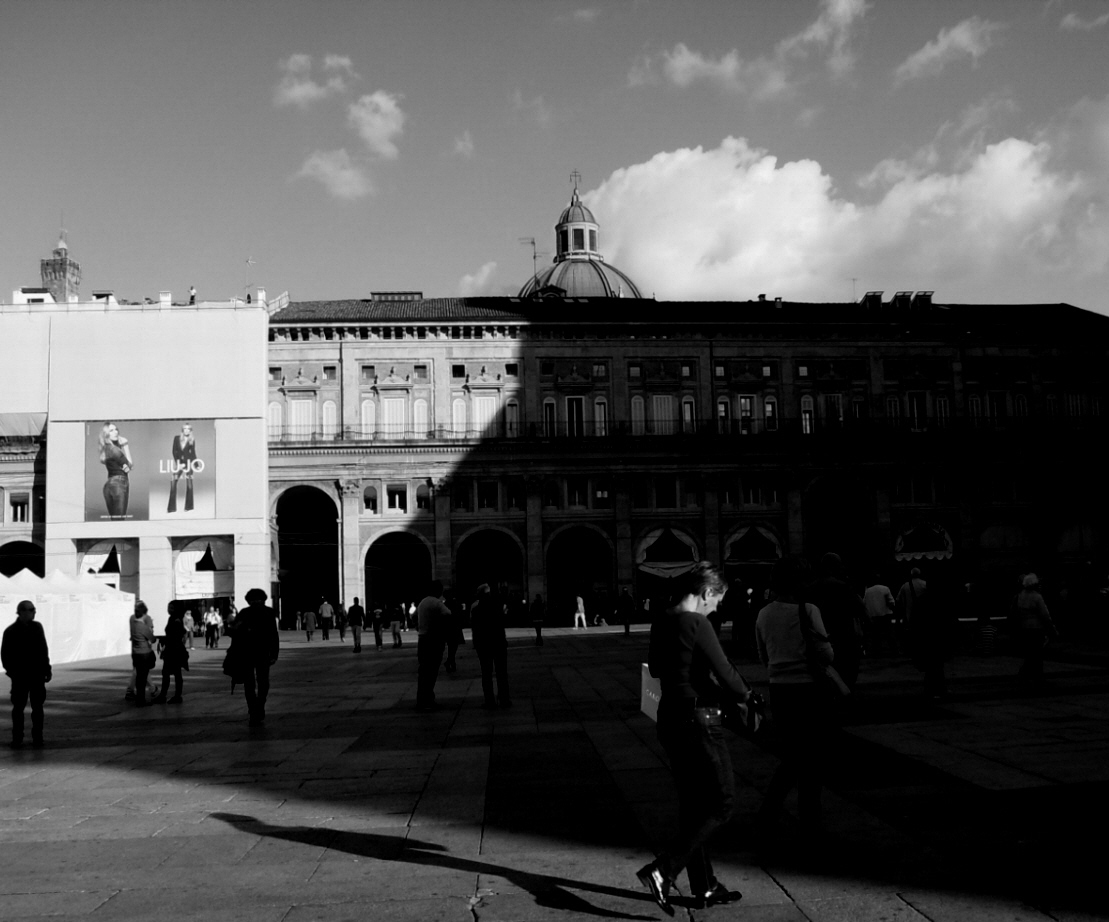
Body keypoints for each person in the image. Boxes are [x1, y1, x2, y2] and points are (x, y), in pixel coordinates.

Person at [637, 562, 748, 915]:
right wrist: (747, 696)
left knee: (694, 806)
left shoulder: (662, 620)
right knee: (722, 802)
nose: (717, 607)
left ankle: (705, 887)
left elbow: (655, 668)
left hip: (668, 717)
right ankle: (663, 870)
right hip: (700, 720)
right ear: (705, 593)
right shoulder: (696, 622)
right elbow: (727, 674)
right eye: (717, 599)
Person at [754, 556, 836, 844]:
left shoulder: (763, 614)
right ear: (799, 582)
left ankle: (768, 813)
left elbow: (763, 656)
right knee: (811, 758)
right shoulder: (808, 610)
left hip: (779, 690)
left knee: (792, 755)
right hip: (809, 690)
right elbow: (827, 655)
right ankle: (809, 821)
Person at [808, 552, 866, 690]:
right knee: (846, 673)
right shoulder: (842, 586)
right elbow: (858, 608)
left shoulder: (811, 588)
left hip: (819, 634)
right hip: (843, 634)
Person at [226, 588, 279, 726]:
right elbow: (274, 635)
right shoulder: (267, 612)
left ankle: (254, 708)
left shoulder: (245, 613)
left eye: (257, 599)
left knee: (251, 683)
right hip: (259, 652)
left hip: (247, 653)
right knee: (261, 682)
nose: (256, 602)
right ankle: (258, 706)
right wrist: (274, 654)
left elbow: (234, 633)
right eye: (254, 600)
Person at [3, 600, 52, 749]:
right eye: (31, 610)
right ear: (22, 612)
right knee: (18, 708)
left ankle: (38, 738)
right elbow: (5, 655)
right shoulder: (11, 631)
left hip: (36, 675)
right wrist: (13, 673)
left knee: (37, 708)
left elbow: (43, 650)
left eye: (33, 610)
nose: (34, 612)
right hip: (20, 677)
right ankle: (17, 738)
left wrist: (47, 668)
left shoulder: (37, 627)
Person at [1013, 573, 1057, 691]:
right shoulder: (1037, 597)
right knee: (1037, 653)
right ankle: (1036, 677)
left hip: (1024, 627)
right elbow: (1044, 615)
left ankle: (1025, 676)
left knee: (1030, 653)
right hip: (1036, 628)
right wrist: (1052, 629)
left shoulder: (1020, 596)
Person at [471, 584, 510, 708]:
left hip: (484, 645)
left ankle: (490, 700)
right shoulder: (497, 607)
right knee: (501, 672)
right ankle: (504, 699)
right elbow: (503, 623)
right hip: (498, 643)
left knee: (486, 674)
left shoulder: (476, 610)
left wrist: (476, 644)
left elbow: (475, 630)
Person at [416, 580, 450, 710]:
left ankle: (422, 699)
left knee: (424, 671)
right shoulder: (436, 603)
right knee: (431, 671)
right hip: (433, 639)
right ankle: (428, 700)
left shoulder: (422, 602)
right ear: (438, 590)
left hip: (422, 638)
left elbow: (415, 617)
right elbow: (448, 614)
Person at [153, 605, 188, 703]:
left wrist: (163, 639)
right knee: (170, 673)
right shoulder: (172, 619)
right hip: (172, 650)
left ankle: (173, 695)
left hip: (174, 651)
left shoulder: (176, 620)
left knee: (172, 673)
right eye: (169, 607)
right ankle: (169, 695)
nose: (169, 609)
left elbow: (174, 636)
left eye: (172, 608)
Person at [98, 421, 133, 519]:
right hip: (119, 485)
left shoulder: (106, 449)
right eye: (111, 430)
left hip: (108, 486)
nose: (116, 432)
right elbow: (129, 467)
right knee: (119, 523)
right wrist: (125, 445)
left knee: (115, 522)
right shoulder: (115, 450)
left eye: (116, 429)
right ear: (106, 434)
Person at [129, 600, 157, 707]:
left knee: (139, 677)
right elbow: (152, 639)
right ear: (143, 613)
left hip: (135, 653)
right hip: (144, 653)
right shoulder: (143, 627)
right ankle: (141, 700)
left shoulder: (133, 624)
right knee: (143, 677)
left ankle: (139, 699)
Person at [167, 423, 196, 513]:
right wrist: (178, 463)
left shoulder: (192, 440)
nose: (186, 430)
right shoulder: (176, 438)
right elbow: (174, 451)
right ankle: (171, 508)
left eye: (188, 429)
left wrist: (196, 464)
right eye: (185, 429)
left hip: (189, 463)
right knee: (173, 482)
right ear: (182, 430)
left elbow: (193, 453)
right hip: (180, 464)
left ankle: (189, 507)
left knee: (189, 485)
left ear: (190, 431)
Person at [863, 575, 897, 655]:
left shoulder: (868, 591)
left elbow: (864, 603)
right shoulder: (885, 588)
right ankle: (894, 650)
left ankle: (877, 651)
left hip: (873, 615)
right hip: (885, 614)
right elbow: (891, 602)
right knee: (890, 634)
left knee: (875, 635)